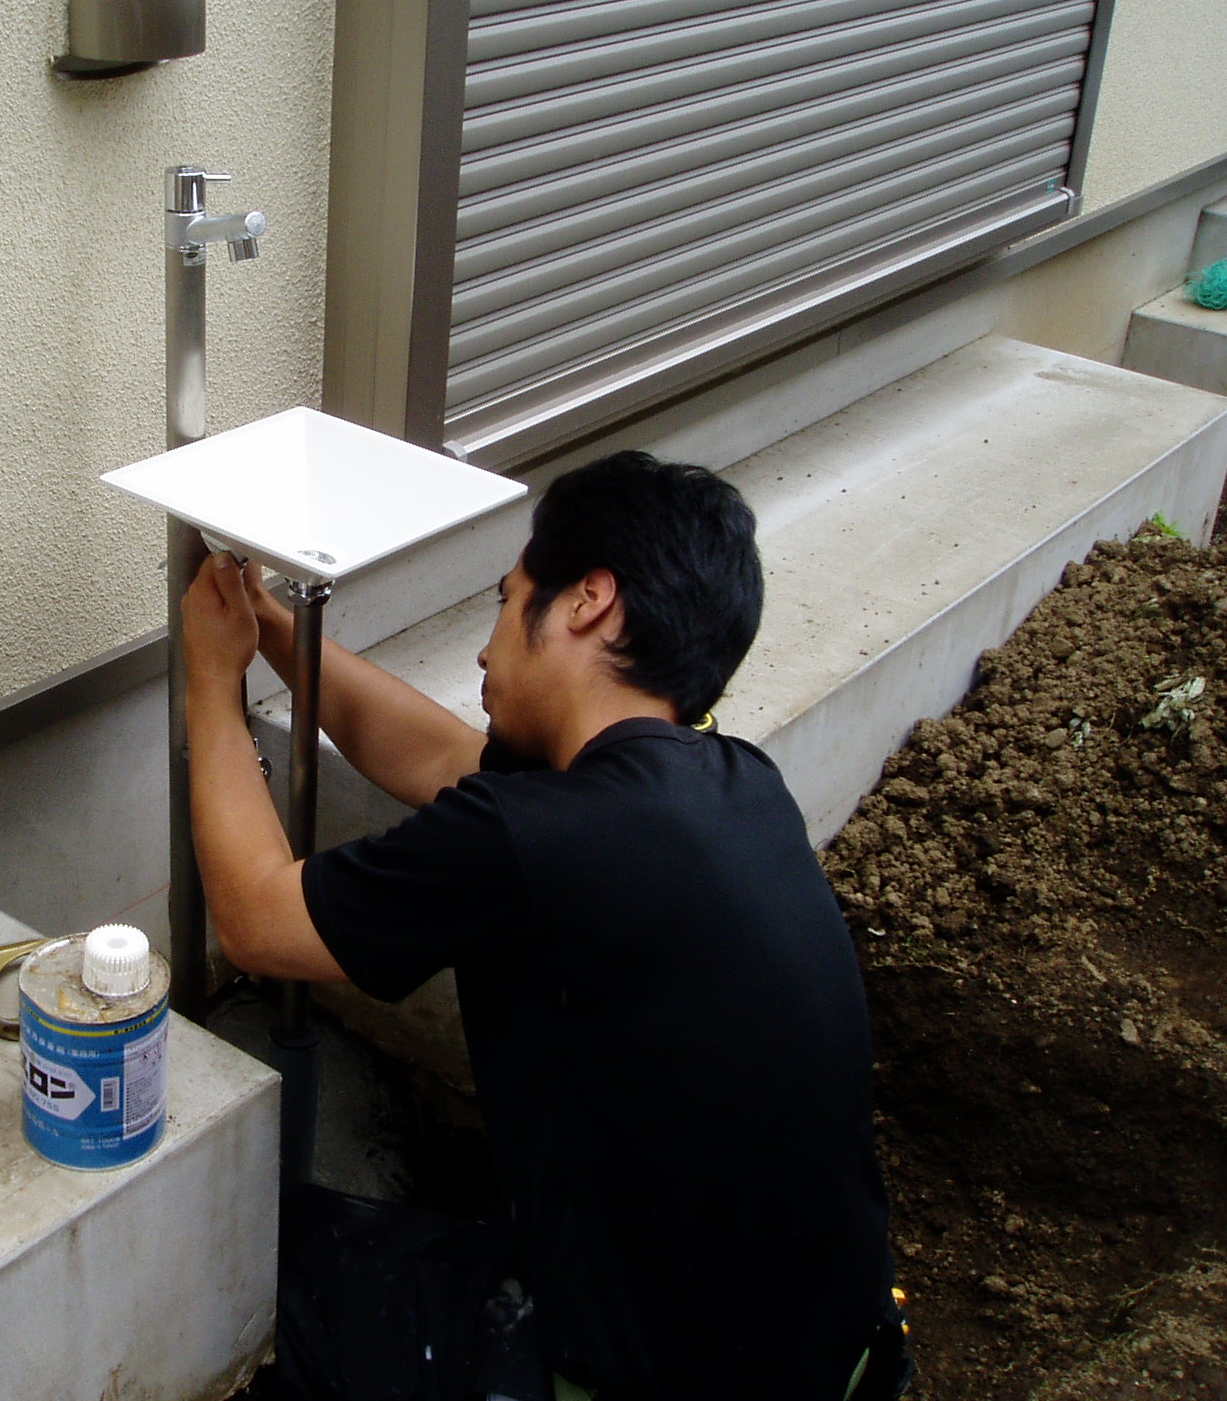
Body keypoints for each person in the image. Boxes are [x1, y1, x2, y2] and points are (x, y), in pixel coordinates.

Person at [180, 450, 907, 1401]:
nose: (485, 651)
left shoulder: (537, 839)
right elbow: (437, 755)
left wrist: (210, 681)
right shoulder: (730, 782)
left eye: (506, 599)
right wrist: (273, 626)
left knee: (245, 1262)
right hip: (832, 1357)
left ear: (587, 601)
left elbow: (254, 919)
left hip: (655, 1379)